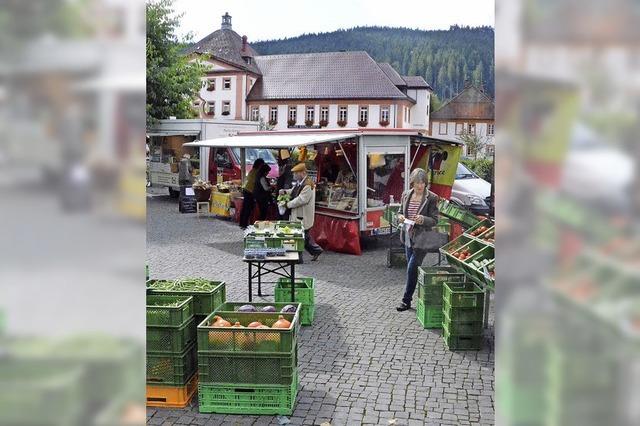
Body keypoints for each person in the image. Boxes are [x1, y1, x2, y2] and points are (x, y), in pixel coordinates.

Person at [395, 168, 439, 311]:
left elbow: (434, 220)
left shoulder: (431, 197)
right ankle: (421, 292)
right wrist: (400, 217)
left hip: (423, 239)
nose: (420, 186)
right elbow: (400, 212)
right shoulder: (406, 195)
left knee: (411, 268)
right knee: (413, 269)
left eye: (423, 183)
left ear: (426, 183)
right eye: (417, 183)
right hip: (408, 236)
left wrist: (423, 219)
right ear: (412, 183)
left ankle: (406, 300)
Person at [279, 162, 323, 263]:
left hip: (303, 215)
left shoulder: (307, 184)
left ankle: (298, 259)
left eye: (295, 173)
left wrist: (287, 204)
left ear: (302, 173)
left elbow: (301, 199)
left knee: (298, 236)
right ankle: (316, 250)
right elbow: (294, 191)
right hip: (300, 214)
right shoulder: (301, 182)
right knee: (304, 236)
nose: (294, 175)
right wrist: (285, 191)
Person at [239, 158, 265, 229]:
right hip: (249, 191)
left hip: (246, 190)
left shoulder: (252, 170)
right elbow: (257, 184)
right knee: (247, 208)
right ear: (260, 165)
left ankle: (242, 223)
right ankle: (244, 225)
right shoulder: (257, 172)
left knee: (245, 208)